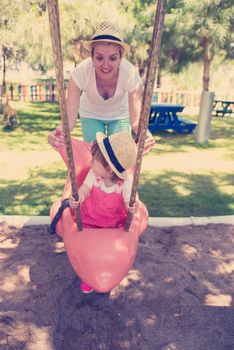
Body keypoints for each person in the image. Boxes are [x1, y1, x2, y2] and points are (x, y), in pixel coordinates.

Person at [48, 21, 155, 153]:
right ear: (92, 57)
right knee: (94, 157)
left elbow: (136, 122)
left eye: (112, 58)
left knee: (119, 157)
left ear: (120, 58)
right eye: (99, 58)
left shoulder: (130, 74)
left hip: (120, 115)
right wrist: (57, 133)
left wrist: (147, 135)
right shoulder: (81, 73)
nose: (105, 65)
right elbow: (69, 120)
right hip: (91, 114)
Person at [69, 131, 138, 293]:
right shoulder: (94, 175)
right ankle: (88, 276)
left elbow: (130, 201)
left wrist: (131, 207)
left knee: (108, 251)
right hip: (90, 220)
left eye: (94, 160)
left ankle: (108, 273)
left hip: (112, 224)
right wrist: (78, 196)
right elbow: (85, 189)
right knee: (88, 249)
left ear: (108, 168)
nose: (90, 162)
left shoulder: (126, 183)